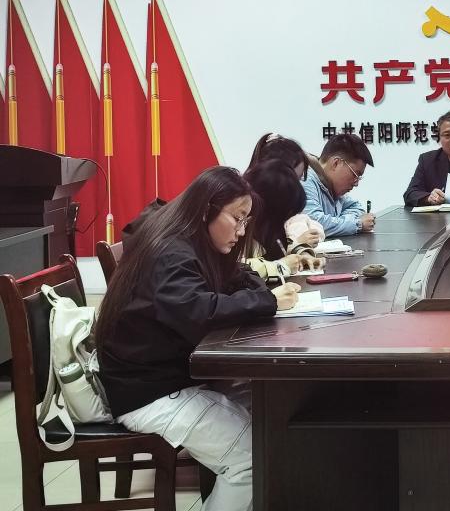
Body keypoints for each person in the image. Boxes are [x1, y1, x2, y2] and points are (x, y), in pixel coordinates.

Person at [96, 167, 301, 511]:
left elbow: (236, 275)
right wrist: (267, 300)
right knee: (253, 458)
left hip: (170, 375)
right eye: (237, 218)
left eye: (246, 221)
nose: (241, 231)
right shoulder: (170, 251)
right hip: (148, 391)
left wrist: (261, 291)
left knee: (275, 414)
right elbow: (197, 311)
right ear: (207, 210)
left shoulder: (192, 241)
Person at [243, 159, 324, 281]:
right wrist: (281, 265)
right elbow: (236, 270)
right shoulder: (239, 229)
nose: (285, 223)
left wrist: (301, 254)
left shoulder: (267, 227)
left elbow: (278, 249)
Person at [302, 134, 376, 236]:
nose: (356, 183)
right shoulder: (305, 179)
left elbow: (357, 208)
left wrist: (340, 222)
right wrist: (357, 224)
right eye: (355, 175)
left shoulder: (332, 186)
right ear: (336, 163)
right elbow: (314, 224)